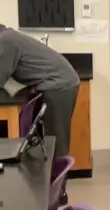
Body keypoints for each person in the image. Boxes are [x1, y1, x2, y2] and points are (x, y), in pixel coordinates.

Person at [0, 25, 79, 159]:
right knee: (43, 141)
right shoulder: (9, 37)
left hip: (59, 85)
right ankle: (46, 177)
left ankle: (57, 179)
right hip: (58, 82)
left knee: (54, 141)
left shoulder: (5, 40)